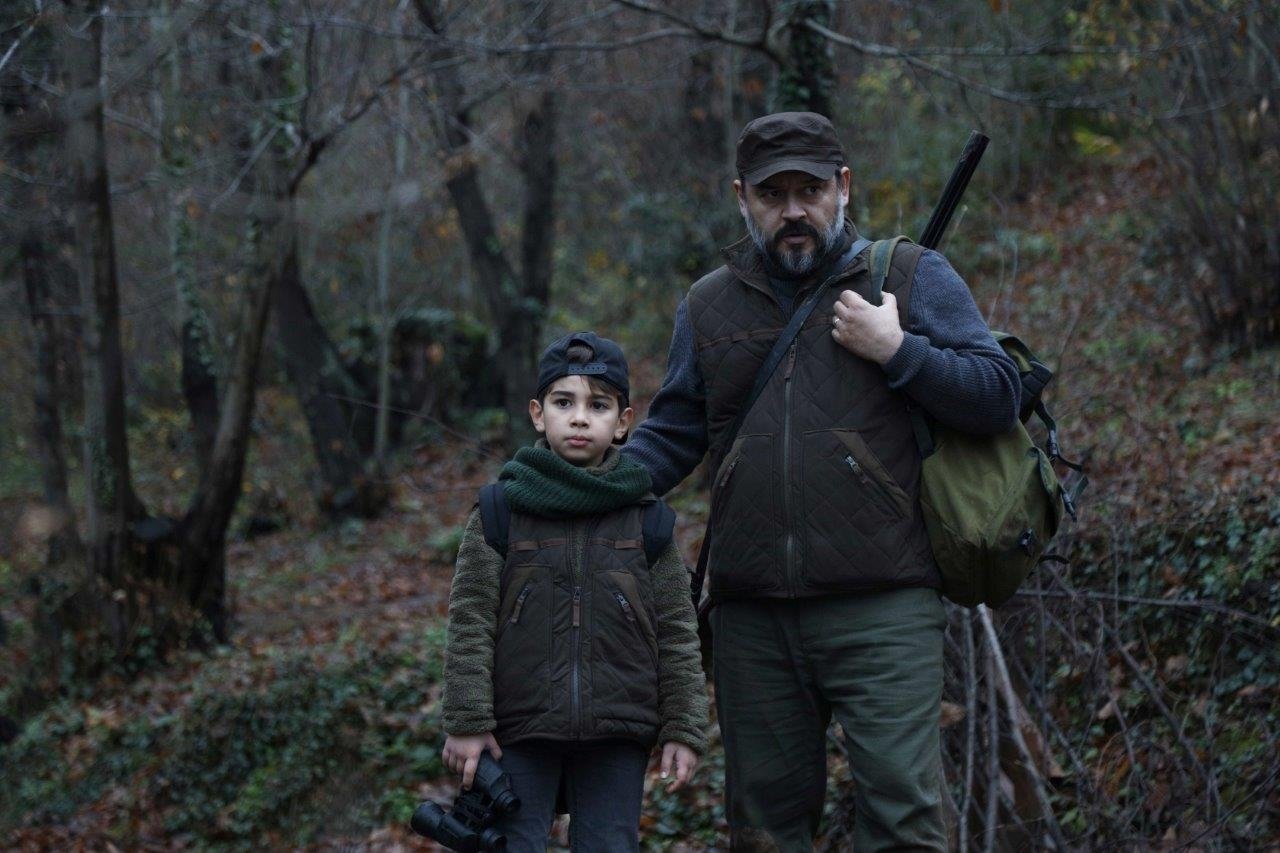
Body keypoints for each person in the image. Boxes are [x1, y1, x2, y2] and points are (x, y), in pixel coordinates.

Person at [621, 112, 1023, 850]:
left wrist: (899, 348)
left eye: (810, 189)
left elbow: (999, 392)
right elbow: (672, 433)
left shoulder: (907, 275)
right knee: (763, 832)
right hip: (752, 617)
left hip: (884, 604)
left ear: (843, 187)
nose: (794, 210)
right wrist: (583, 487)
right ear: (742, 197)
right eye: (774, 195)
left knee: (903, 822)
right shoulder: (708, 303)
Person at [440, 331, 709, 852]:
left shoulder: (648, 520)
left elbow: (678, 629)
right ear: (539, 414)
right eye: (565, 402)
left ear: (624, 422)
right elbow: (470, 618)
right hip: (517, 731)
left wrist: (683, 726)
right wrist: (467, 720)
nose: (581, 417)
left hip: (617, 732)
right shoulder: (501, 510)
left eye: (598, 405)